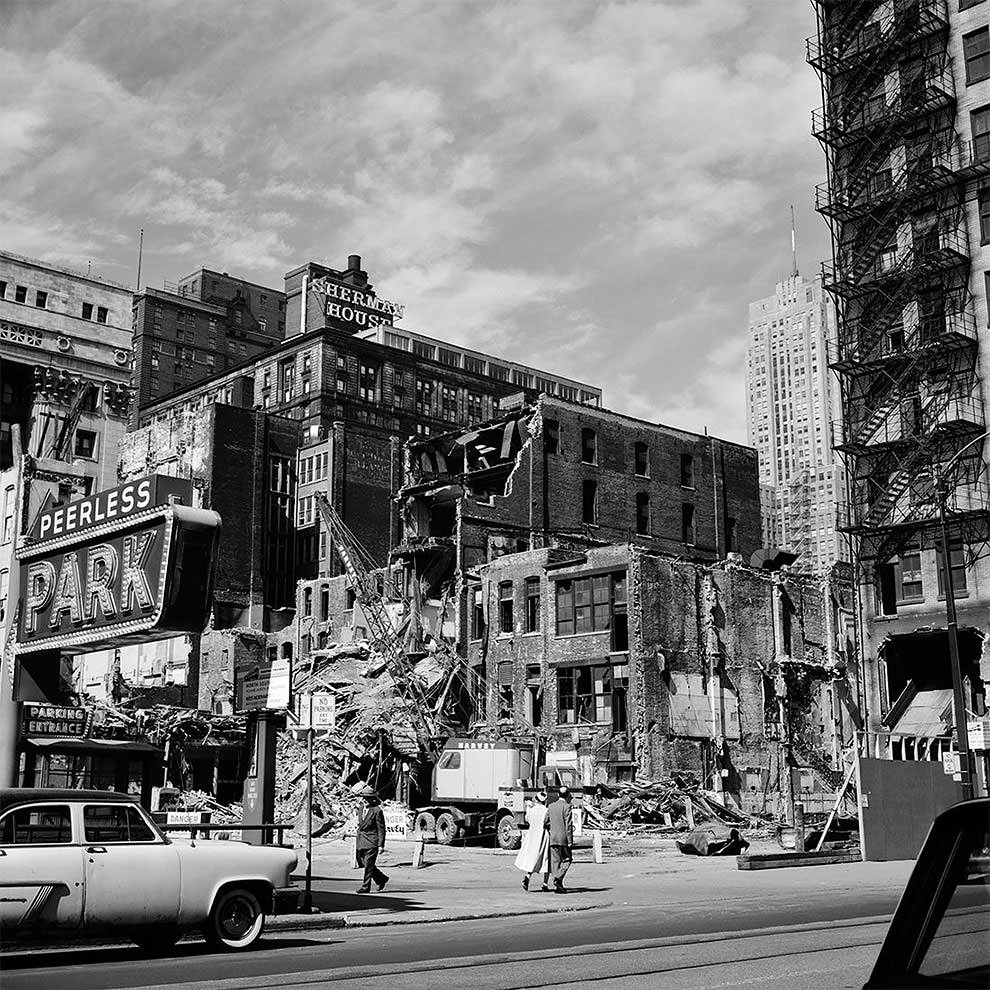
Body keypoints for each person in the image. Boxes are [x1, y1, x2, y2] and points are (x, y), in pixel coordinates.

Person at [514, 790, 551, 891]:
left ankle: (528, 876)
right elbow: (548, 822)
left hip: (532, 835)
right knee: (545, 858)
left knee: (533, 857)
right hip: (543, 835)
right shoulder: (546, 810)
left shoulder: (532, 809)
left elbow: (527, 819)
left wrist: (529, 807)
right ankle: (545, 884)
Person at [355, 785, 389, 893]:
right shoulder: (360, 809)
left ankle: (365, 887)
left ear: (372, 799)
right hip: (361, 840)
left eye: (367, 798)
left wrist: (381, 845)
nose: (364, 800)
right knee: (363, 862)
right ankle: (381, 878)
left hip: (372, 842)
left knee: (368, 865)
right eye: (363, 797)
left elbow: (381, 829)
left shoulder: (377, 811)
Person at [545, 785, 574, 893]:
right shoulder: (567, 806)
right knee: (567, 859)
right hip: (563, 838)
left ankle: (557, 883)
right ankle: (559, 878)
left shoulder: (551, 806)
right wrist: (570, 840)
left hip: (553, 838)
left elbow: (545, 821)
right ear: (567, 796)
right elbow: (569, 825)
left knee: (555, 861)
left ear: (558, 795)